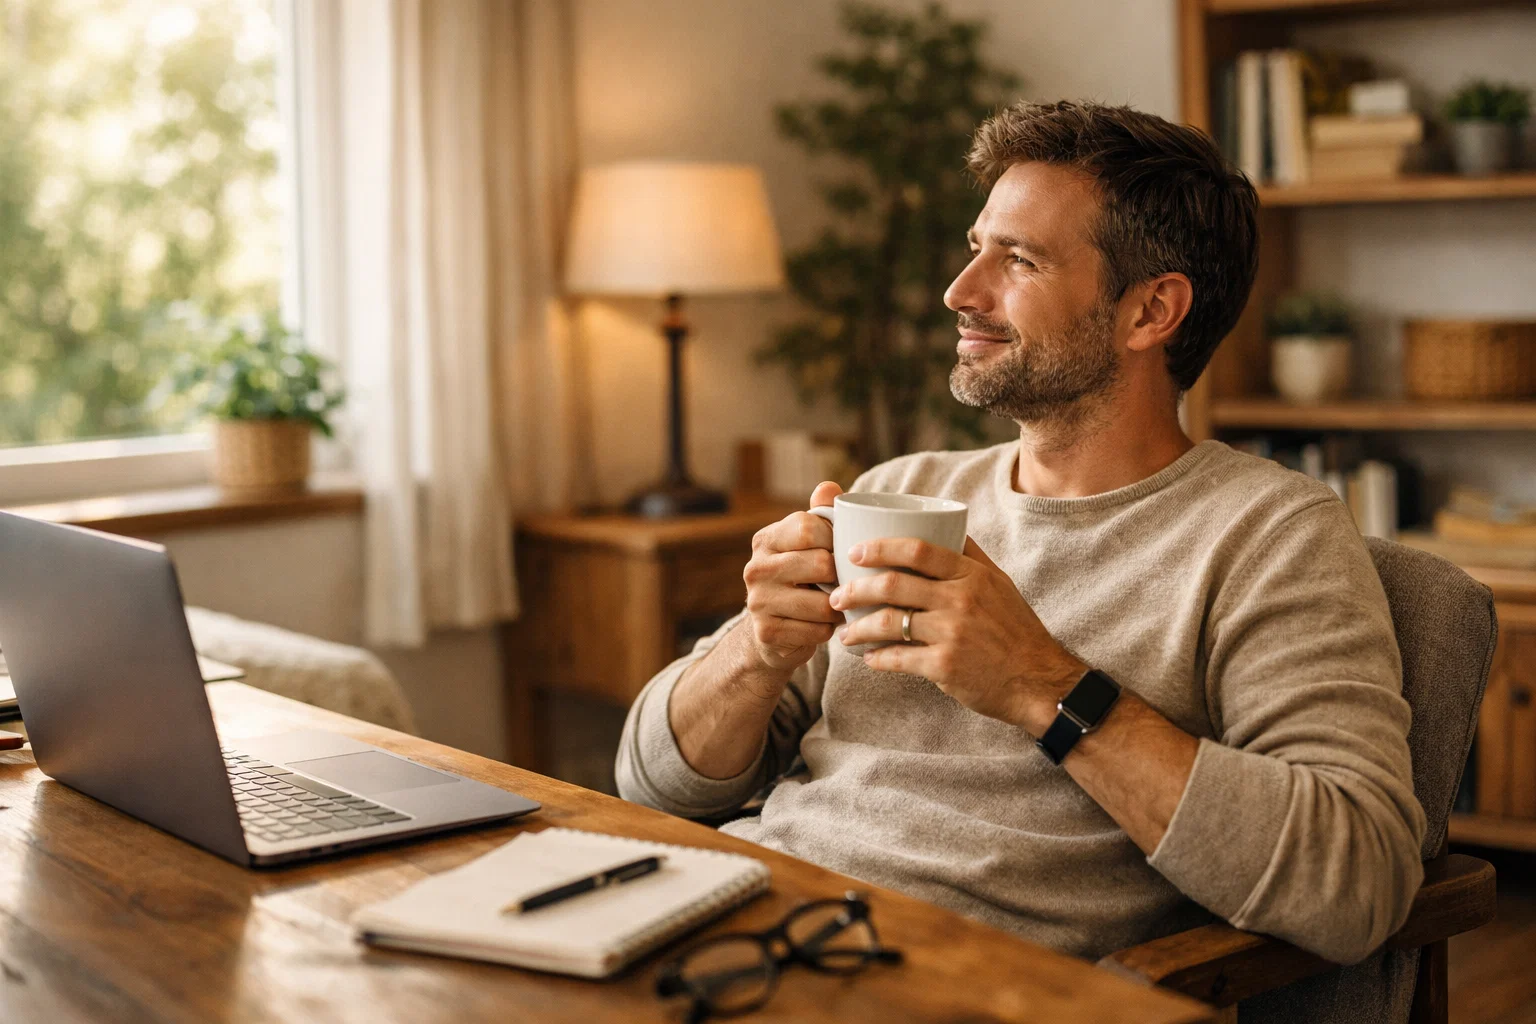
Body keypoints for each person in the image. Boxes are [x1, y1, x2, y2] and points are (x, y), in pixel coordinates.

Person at [616, 100, 1424, 1010]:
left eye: (1019, 260)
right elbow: (652, 780)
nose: (960, 291)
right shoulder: (902, 490)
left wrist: (1044, 687)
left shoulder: (1269, 535)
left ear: (1151, 310)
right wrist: (755, 649)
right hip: (736, 931)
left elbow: (1357, 884)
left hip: (940, 987)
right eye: (977, 247)